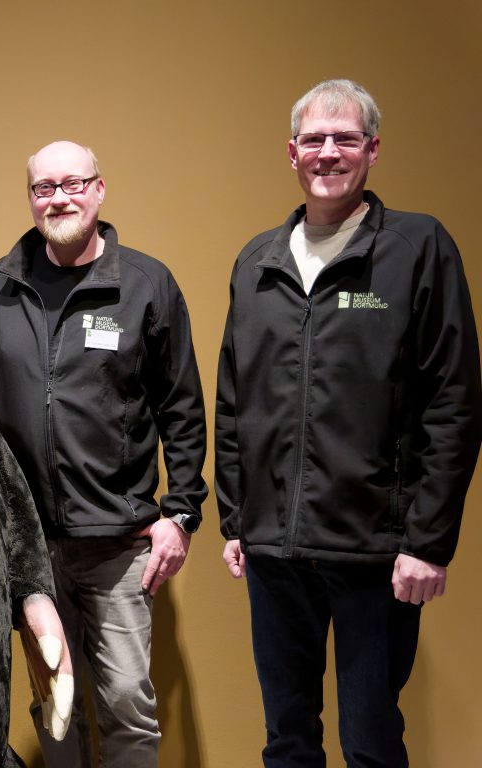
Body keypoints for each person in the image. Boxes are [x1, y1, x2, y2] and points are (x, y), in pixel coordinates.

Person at [215, 79, 482, 767]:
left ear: (372, 150)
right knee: (288, 739)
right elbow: (233, 398)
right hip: (274, 549)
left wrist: (429, 542)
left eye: (344, 138)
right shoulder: (257, 262)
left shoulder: (418, 248)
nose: (327, 152)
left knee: (370, 740)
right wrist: (236, 518)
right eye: (313, 139)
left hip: (375, 550)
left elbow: (454, 401)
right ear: (291, 152)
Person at [0, 140, 207, 767]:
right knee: (55, 701)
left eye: (72, 184)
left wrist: (181, 514)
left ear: (98, 190)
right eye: (44, 187)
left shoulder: (146, 285)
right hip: (30, 544)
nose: (58, 197)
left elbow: (183, 406)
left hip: (118, 542)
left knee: (125, 699)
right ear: (31, 198)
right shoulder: (3, 284)